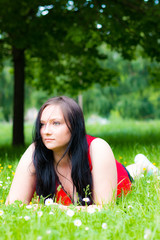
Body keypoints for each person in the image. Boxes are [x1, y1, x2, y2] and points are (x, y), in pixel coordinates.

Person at [5, 96, 158, 207]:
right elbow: (13, 206)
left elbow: (104, 209)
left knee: (133, 172)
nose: (46, 131)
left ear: (75, 126)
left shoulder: (98, 148)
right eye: (42, 124)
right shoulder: (35, 151)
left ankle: (142, 167)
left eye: (56, 123)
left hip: (114, 176)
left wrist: (60, 212)